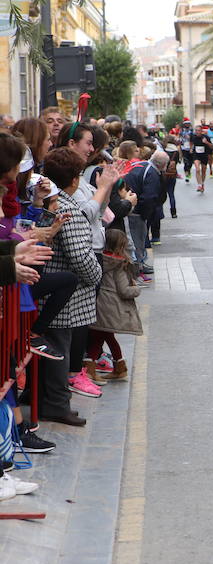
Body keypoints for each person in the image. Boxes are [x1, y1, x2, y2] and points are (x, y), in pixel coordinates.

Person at [38, 147, 104, 424]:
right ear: (74, 180)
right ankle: (57, 405)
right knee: (58, 350)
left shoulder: (52, 202)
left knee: (51, 348)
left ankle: (50, 401)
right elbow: (80, 255)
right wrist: (97, 275)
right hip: (67, 297)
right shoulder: (70, 210)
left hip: (53, 292)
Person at [85, 228, 142, 382]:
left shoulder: (100, 259)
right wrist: (136, 289)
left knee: (101, 336)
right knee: (103, 336)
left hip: (100, 303)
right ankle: (116, 367)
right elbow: (124, 291)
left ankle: (109, 367)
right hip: (111, 306)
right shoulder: (119, 264)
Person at [190, 124, 212, 193]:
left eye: (199, 130)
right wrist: (191, 148)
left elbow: (212, 147)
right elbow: (191, 143)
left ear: (201, 131)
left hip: (204, 155)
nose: (197, 132)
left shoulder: (206, 137)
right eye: (196, 131)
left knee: (203, 171)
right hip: (196, 155)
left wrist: (206, 142)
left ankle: (202, 184)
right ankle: (199, 185)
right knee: (197, 169)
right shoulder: (193, 137)